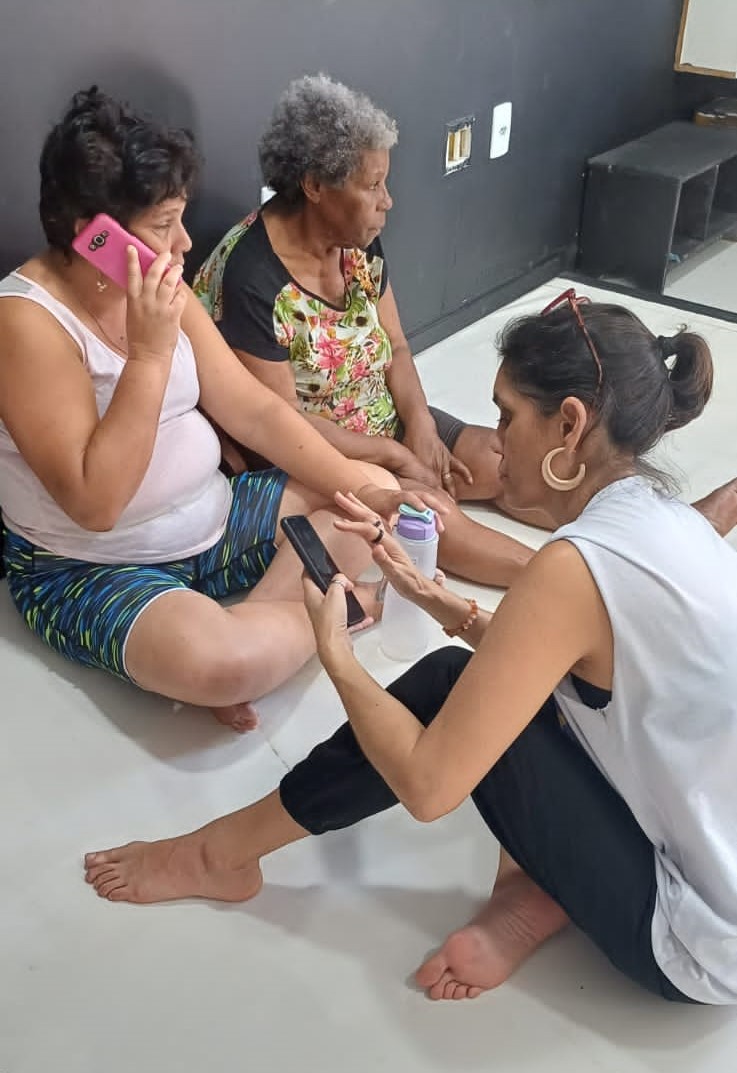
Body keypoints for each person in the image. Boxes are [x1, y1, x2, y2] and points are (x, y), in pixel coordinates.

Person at [85, 293, 737, 1006]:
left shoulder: (574, 566)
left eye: (508, 416)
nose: (495, 439)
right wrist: (442, 603)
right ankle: (539, 888)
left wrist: (335, 655)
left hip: (693, 939)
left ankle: (217, 854)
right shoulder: (667, 520)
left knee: (443, 688)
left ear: (569, 425)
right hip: (707, 871)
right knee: (479, 681)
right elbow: (579, 665)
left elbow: (429, 787)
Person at [0, 87, 439, 733]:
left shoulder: (159, 281)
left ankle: (263, 624)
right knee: (221, 661)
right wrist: (148, 359)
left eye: (181, 219)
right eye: (161, 226)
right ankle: (303, 625)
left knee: (368, 491)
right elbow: (95, 505)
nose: (182, 244)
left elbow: (256, 413)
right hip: (90, 566)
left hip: (213, 518)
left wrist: (365, 489)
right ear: (91, 234)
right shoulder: (26, 321)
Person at [193, 73, 535, 587]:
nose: (388, 200)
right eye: (372, 185)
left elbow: (395, 343)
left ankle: (644, 537)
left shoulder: (355, 238)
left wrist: (419, 424)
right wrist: (395, 456)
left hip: (382, 415)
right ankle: (565, 586)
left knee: (504, 466)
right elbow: (280, 423)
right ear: (314, 186)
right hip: (323, 453)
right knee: (434, 514)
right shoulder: (251, 276)